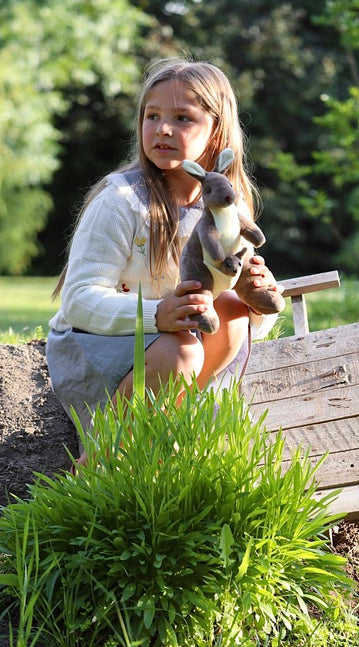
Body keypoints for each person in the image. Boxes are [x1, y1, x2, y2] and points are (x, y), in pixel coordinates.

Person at [46, 58, 281, 457]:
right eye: (152, 116)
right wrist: (157, 314)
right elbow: (79, 299)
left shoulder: (228, 209)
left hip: (172, 355)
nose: (163, 129)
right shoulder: (121, 201)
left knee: (230, 309)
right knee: (181, 351)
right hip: (96, 346)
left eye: (182, 118)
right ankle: (101, 458)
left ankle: (168, 430)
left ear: (217, 130)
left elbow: (251, 322)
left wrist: (257, 295)